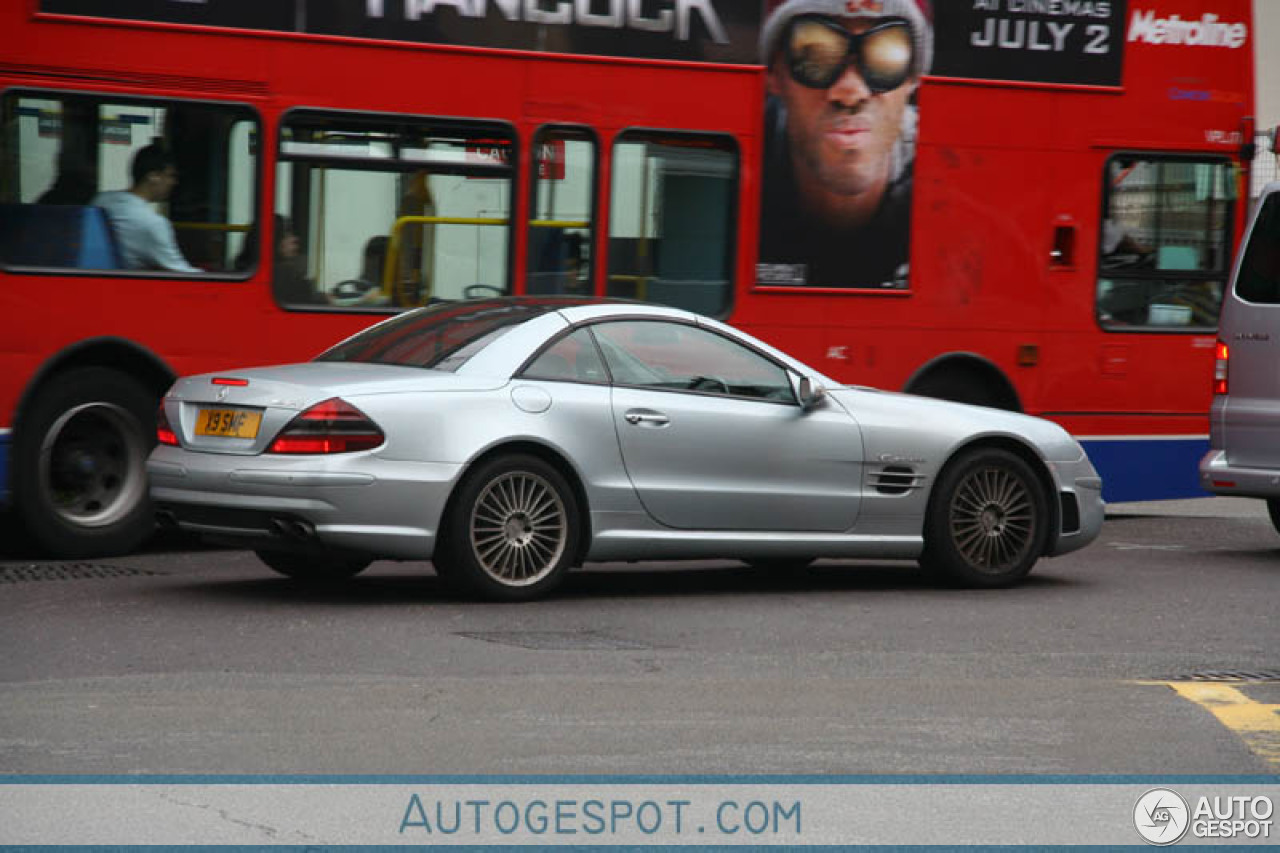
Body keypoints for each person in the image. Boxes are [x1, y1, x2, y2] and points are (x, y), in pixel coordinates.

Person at [757, 0, 932, 289]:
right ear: (774, 75)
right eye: (815, 55)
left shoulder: (952, 190)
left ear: (913, 77)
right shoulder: (728, 180)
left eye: (885, 54)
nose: (851, 92)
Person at [92, 142, 199, 273]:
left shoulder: (102, 200)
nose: (173, 182)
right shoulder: (152, 223)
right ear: (153, 176)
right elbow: (183, 274)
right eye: (170, 175)